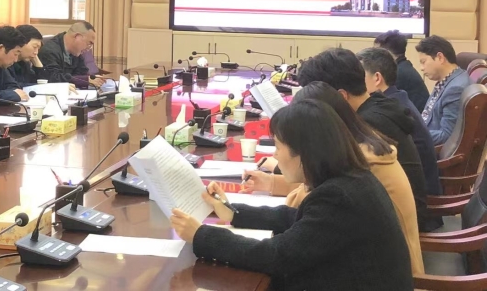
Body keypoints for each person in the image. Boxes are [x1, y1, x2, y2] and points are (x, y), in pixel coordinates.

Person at [170, 100, 414, 291]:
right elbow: (297, 219)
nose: (275, 155)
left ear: (305, 152)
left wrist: (202, 235)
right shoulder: (349, 179)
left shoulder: (339, 196)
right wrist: (234, 213)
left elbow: (276, 256)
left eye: (278, 146)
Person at [243, 82, 423, 275]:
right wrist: (271, 183)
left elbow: (302, 210)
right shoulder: (355, 153)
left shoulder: (351, 177)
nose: (276, 153)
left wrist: (215, 237)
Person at [297, 48, 430, 231]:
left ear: (341, 96)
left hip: (395, 228)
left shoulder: (367, 124)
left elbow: (323, 186)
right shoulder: (376, 105)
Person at [358, 47, 442, 198]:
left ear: (377, 78)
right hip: (419, 191)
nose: (355, 83)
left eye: (359, 76)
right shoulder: (396, 100)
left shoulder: (385, 112)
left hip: (421, 199)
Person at [416, 35, 470, 145]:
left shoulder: (455, 89)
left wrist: (411, 136)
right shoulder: (449, 79)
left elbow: (447, 135)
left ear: (440, 57)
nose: (421, 68)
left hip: (429, 149)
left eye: (423, 61)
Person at [375, 30, 431, 113]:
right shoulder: (403, 67)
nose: (374, 57)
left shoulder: (398, 73)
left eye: (376, 53)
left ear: (387, 53)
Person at [38, 21, 104, 88]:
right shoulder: (50, 51)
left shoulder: (76, 52)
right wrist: (85, 80)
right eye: (89, 43)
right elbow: (53, 78)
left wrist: (92, 79)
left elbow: (82, 73)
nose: (89, 48)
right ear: (77, 37)